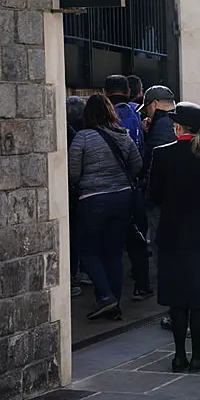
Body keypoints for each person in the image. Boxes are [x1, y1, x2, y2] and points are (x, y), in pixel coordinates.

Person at [148, 102, 200, 373]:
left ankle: (178, 356)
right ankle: (197, 355)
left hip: (173, 234)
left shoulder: (162, 155)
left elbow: (153, 196)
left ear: (177, 127)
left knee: (177, 298)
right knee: (199, 298)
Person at [68, 94, 142, 320]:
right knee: (113, 253)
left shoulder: (82, 137)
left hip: (93, 200)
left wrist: (84, 183)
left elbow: (72, 172)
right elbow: (137, 164)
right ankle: (114, 303)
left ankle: (107, 298)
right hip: (122, 199)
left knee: (88, 251)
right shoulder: (122, 135)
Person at [104, 75, 152, 301]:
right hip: (133, 185)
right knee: (137, 238)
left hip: (107, 188)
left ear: (105, 92)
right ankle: (142, 285)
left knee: (109, 243)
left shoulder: (101, 115)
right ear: (129, 91)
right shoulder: (136, 113)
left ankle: (108, 294)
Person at [137, 86, 177, 327]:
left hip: (161, 203)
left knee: (165, 256)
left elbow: (154, 164)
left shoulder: (162, 126)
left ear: (153, 104)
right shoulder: (179, 120)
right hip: (175, 201)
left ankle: (175, 309)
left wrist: (149, 193)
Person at [67, 96, 87, 298]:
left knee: (73, 235)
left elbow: (74, 170)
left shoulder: (76, 136)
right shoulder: (78, 134)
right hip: (84, 192)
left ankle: (74, 275)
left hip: (78, 191)